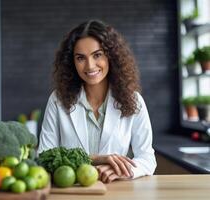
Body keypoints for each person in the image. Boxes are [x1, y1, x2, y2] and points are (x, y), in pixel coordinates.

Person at [38, 19, 156, 183]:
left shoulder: (133, 100)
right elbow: (43, 159)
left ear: (111, 56)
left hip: (116, 192)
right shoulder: (57, 100)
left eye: (97, 55)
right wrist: (96, 159)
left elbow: (147, 158)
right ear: (72, 62)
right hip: (72, 192)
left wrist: (121, 170)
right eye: (80, 58)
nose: (90, 66)